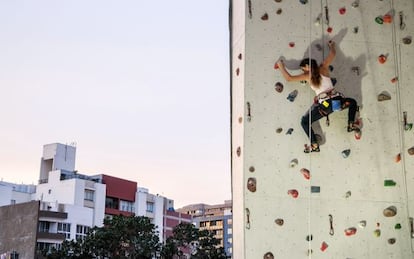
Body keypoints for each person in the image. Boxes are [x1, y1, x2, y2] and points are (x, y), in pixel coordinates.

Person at [277, 41, 359, 152]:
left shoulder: (307, 76)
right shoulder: (323, 67)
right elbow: (333, 54)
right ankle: (351, 124)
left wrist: (280, 65)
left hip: (325, 107)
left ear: (307, 66)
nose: (303, 71)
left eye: (303, 68)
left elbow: (289, 78)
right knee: (352, 102)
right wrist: (332, 46)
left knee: (305, 122)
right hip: (337, 102)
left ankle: (314, 144)